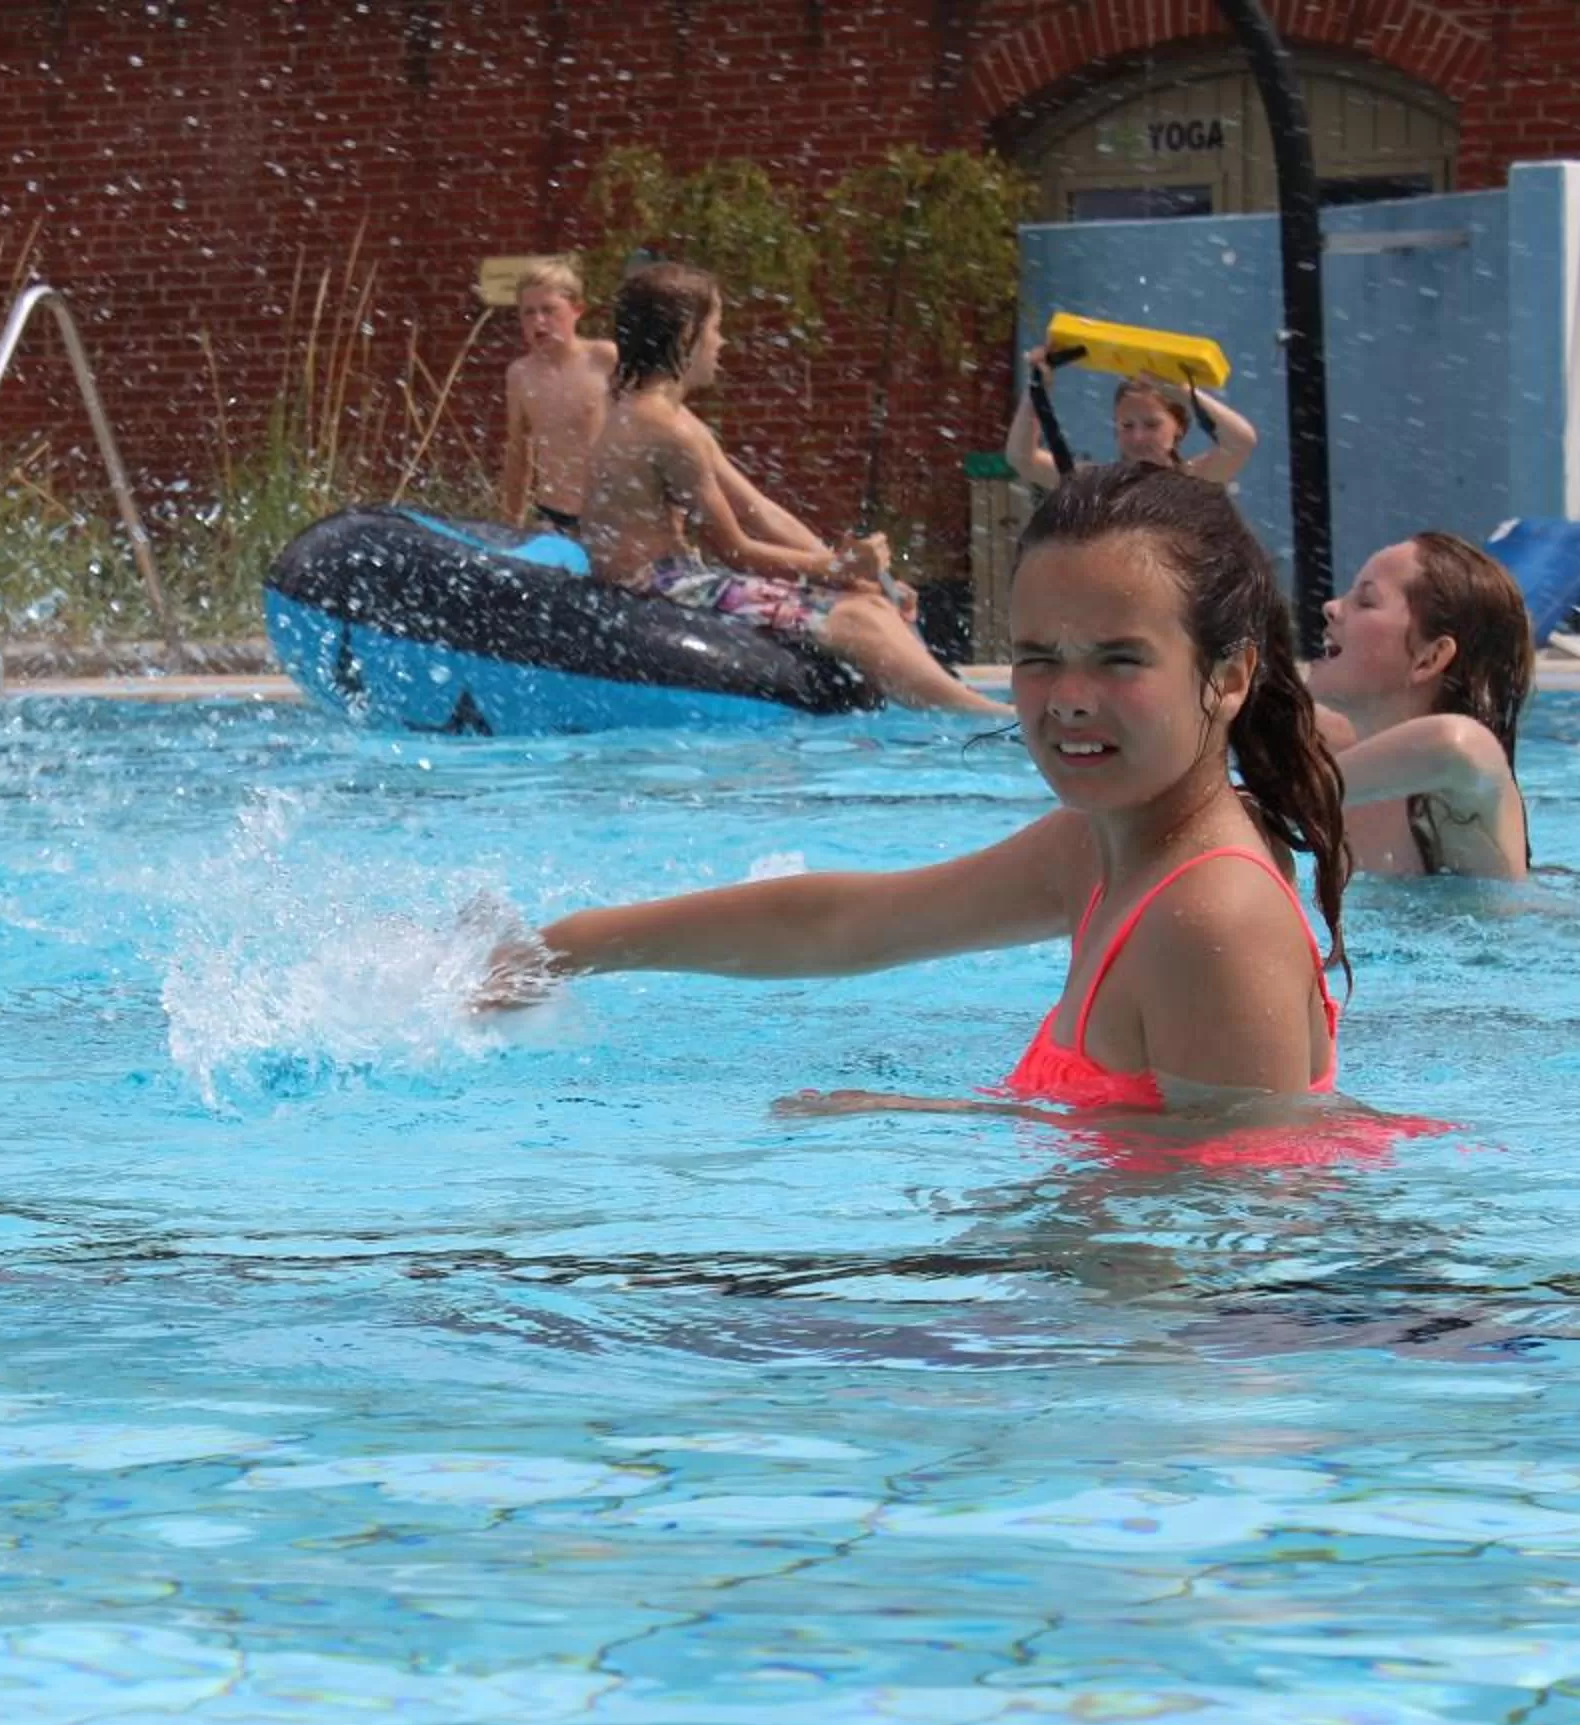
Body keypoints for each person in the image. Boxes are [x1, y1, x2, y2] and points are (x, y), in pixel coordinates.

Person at [494, 460, 1356, 1133]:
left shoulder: (1211, 918)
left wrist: (935, 1121)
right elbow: (847, 924)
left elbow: (1243, 1225)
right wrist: (560, 948)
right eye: (1037, 656)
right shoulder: (1104, 845)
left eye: (1119, 658)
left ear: (1231, 673)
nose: (1068, 698)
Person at [577, 262, 1003, 717]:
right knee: (859, 619)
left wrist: (856, 575)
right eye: (717, 328)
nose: (722, 344)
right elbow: (735, 551)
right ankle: (979, 719)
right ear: (687, 334)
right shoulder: (664, 430)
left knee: (868, 602)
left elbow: (761, 511)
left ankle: (970, 709)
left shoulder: (668, 419)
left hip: (677, 579)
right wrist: (834, 567)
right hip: (657, 589)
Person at [1309, 533, 1533, 880]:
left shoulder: (1459, 789)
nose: (1332, 606)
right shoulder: (1327, 741)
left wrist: (1292, 798)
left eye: (1366, 601)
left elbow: (1454, 744)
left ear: (1429, 659)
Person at [1005, 346, 1257, 492]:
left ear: (1178, 428)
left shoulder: (1193, 481)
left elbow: (1241, 441)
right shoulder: (1100, 485)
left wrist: (1181, 392)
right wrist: (1037, 389)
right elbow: (1022, 459)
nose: (1138, 437)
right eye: (1127, 426)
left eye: (1152, 424)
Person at [497, 260, 617, 535]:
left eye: (549, 310)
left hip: (608, 514)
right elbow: (518, 453)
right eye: (528, 313)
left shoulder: (604, 358)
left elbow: (651, 431)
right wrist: (509, 525)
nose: (538, 321)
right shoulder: (520, 374)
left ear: (577, 310)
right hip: (552, 514)